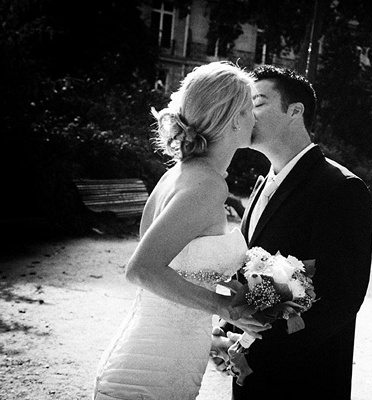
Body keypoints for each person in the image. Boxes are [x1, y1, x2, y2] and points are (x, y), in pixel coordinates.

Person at [93, 61, 269, 400]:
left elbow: (180, 273)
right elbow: (142, 269)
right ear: (233, 118)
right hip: (150, 369)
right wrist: (226, 308)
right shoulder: (207, 185)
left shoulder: (183, 174)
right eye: (251, 108)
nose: (255, 117)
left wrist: (213, 336)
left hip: (167, 357)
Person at [210, 65, 372, 400]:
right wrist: (229, 334)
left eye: (256, 103)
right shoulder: (261, 185)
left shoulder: (341, 189)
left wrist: (258, 348)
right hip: (251, 375)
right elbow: (242, 271)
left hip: (303, 380)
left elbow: (340, 300)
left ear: (294, 112)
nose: (245, 115)